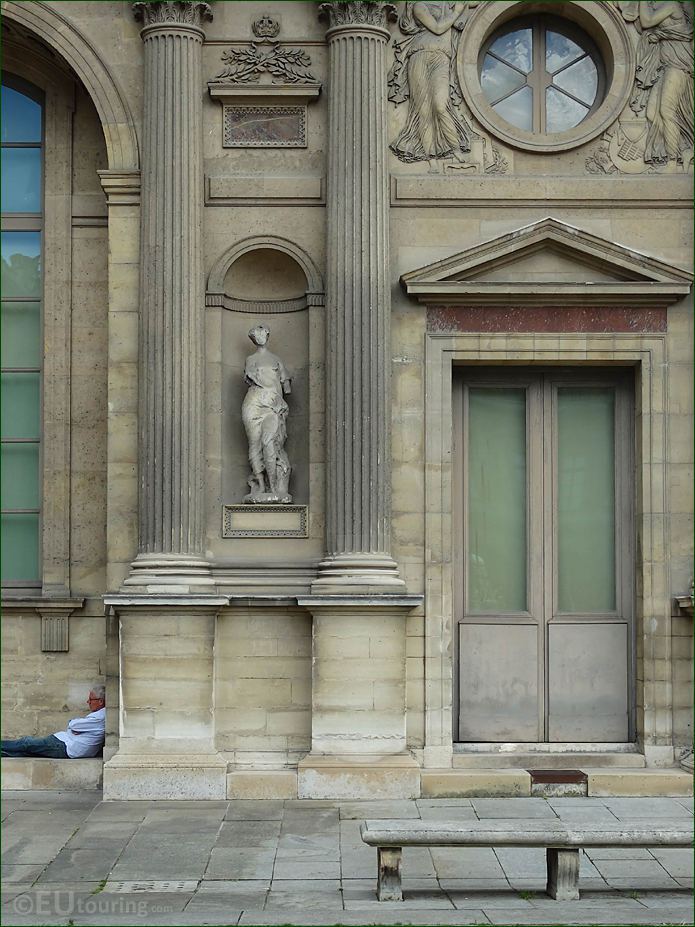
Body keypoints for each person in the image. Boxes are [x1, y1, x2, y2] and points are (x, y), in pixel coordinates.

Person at [388, 1, 476, 171]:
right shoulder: (419, 6)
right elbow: (437, 28)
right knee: (423, 110)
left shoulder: (447, 5)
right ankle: (431, 158)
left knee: (441, 105)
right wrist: (456, 11)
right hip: (419, 56)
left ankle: (456, 149)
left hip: (441, 58)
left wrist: (457, 9)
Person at [627, 0, 694, 170]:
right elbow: (643, 25)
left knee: (667, 110)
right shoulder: (657, 6)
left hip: (679, 65)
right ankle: (682, 151)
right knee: (650, 113)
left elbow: (647, 22)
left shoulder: (672, 5)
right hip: (665, 66)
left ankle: (672, 160)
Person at [241, 324, 293, 503]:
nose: (260, 336)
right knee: (255, 444)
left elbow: (286, 385)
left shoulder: (276, 360)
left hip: (272, 404)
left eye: (263, 333)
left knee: (268, 441)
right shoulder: (250, 359)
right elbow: (250, 376)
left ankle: (274, 486)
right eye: (257, 334)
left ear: (268, 335)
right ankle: (261, 486)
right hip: (254, 403)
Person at [1, 686, 105, 758]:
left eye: (91, 699)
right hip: (65, 744)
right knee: (27, 751)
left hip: (64, 745)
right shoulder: (99, 716)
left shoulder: (100, 716)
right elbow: (73, 727)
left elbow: (72, 724)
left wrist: (73, 727)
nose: (88, 702)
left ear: (100, 701)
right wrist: (74, 728)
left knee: (26, 742)